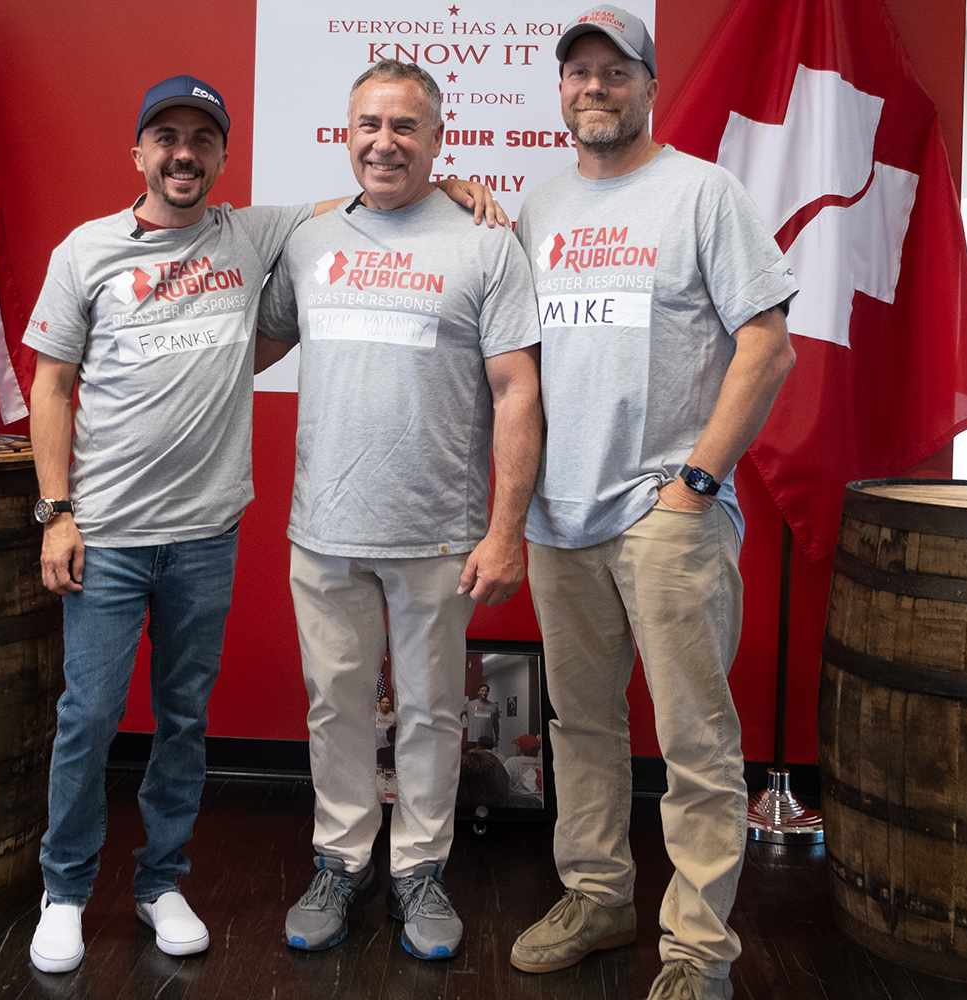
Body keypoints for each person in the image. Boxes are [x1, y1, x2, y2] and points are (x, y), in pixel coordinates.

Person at [22, 73, 503, 975]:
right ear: (138, 153)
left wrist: (452, 185)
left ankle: (165, 882)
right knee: (88, 717)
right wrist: (56, 510)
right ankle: (67, 891)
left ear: (221, 158)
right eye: (165, 138)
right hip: (112, 533)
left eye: (200, 140)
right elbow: (51, 382)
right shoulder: (88, 251)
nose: (182, 155)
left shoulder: (255, 233)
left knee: (184, 719)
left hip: (209, 531)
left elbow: (373, 184)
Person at [505, 8, 798, 1000]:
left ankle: (698, 951)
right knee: (581, 727)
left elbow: (766, 343)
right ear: (561, 91)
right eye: (577, 72)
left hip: (666, 512)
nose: (593, 87)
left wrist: (698, 482)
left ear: (647, 83)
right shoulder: (537, 212)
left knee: (695, 739)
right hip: (560, 516)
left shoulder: (703, 194)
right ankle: (597, 895)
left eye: (613, 71)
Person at [254, 59, 543, 962]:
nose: (386, 142)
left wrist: (505, 530)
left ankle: (420, 867)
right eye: (370, 125)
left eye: (406, 127)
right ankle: (341, 860)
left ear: (437, 138)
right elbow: (249, 347)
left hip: (440, 533)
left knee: (430, 712)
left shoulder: (486, 243)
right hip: (326, 526)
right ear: (347, 135)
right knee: (334, 704)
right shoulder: (306, 241)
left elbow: (517, 392)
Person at [461, 683, 500, 750]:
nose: (484, 693)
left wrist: (497, 737)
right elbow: (459, 714)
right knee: (473, 758)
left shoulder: (494, 706)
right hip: (473, 739)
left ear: (488, 693)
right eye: (482, 690)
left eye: (486, 691)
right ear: (478, 692)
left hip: (487, 740)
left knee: (486, 758)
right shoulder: (469, 704)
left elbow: (496, 724)